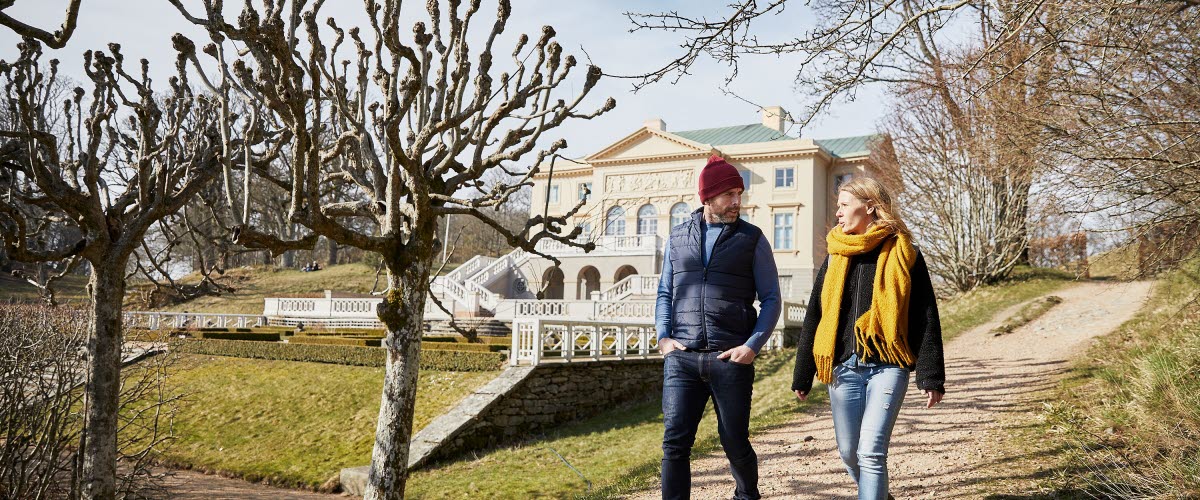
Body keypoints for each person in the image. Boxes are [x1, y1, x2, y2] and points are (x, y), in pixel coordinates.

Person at [791, 176, 946, 500]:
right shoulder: (835, 255)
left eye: (844, 205)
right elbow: (815, 316)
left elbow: (925, 315)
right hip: (843, 369)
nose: (838, 213)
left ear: (870, 206)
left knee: (871, 452)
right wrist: (803, 372)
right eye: (838, 206)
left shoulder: (906, 254)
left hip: (888, 366)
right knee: (849, 452)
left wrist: (931, 375)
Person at [656, 154, 782, 500]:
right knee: (675, 443)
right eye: (728, 194)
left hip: (730, 359)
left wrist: (752, 346)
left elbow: (771, 298)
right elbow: (665, 291)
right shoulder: (678, 238)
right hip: (682, 359)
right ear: (707, 197)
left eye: (739, 193)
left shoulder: (751, 239)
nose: (736, 202)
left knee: (734, 442)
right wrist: (664, 338)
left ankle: (746, 496)